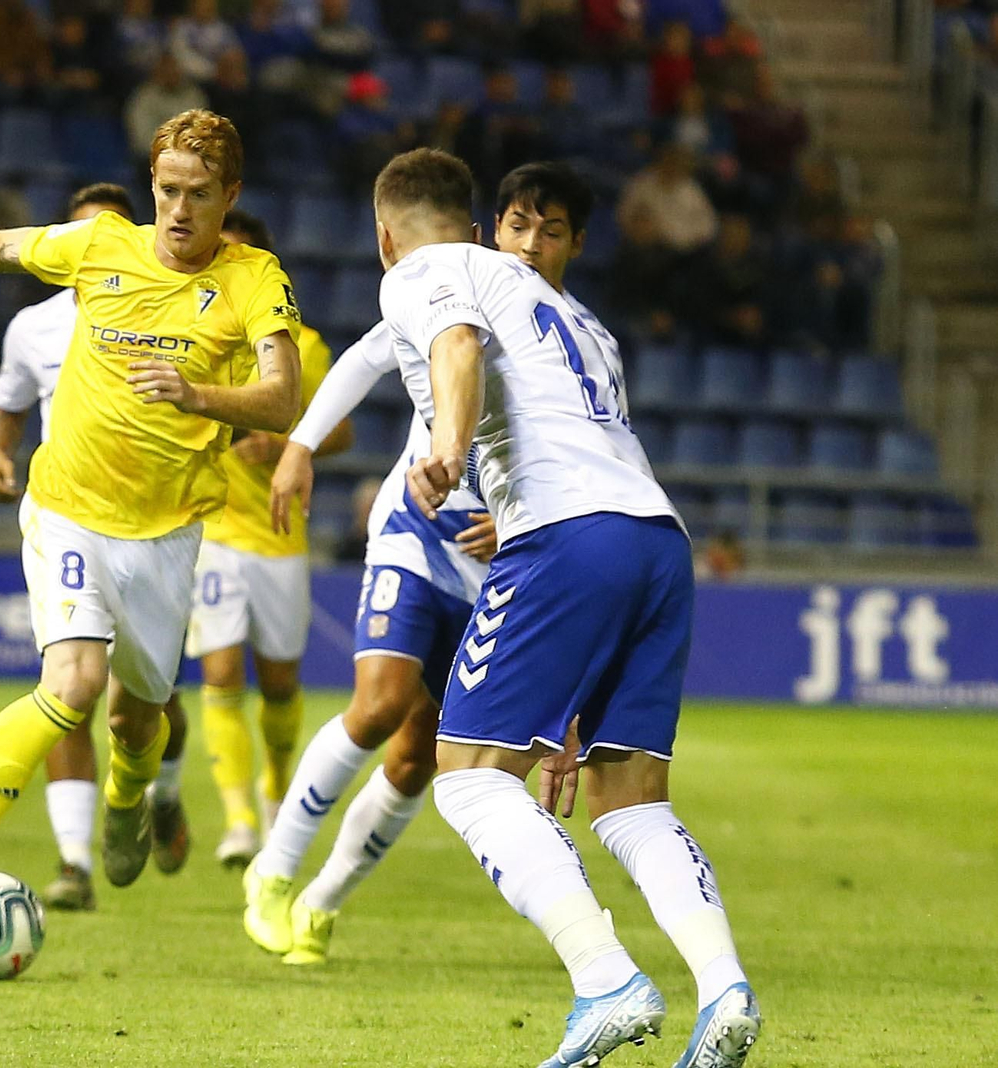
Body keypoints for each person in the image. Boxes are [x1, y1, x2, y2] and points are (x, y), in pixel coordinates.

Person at [383, 148, 759, 1068]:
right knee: (629, 796)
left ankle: (606, 979)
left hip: (561, 533)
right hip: (654, 538)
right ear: (486, 222)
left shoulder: (434, 268)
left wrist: (445, 443)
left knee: (470, 776)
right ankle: (725, 991)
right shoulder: (586, 324)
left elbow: (456, 347)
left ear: (386, 235)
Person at [0, 109, 303, 912]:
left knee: (139, 721)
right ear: (152, 186)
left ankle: (125, 800)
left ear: (231, 194)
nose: (180, 211)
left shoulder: (255, 278)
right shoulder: (102, 245)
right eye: (169, 191)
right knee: (72, 681)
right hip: (68, 505)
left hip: (168, 531)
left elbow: (283, 400)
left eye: (201, 195)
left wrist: (197, 394)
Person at [249, 159, 624, 962]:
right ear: (492, 232)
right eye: (517, 226)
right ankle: (271, 873)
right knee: (380, 701)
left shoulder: (581, 338)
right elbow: (365, 358)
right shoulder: (457, 289)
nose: (528, 246)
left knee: (423, 753)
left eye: (548, 232)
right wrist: (301, 446)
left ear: (575, 246)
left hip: (504, 567)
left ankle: (321, 901)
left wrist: (528, 524)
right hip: (419, 527)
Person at [0, 182, 195, 912]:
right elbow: (8, 401)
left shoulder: (168, 310)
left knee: (151, 701)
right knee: (69, 688)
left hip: (156, 519)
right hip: (70, 516)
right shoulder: (31, 328)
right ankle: (74, 862)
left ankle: (158, 793)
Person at [189, 208, 348, 867]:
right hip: (213, 530)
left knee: (280, 684)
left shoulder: (300, 345)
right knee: (222, 670)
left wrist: (286, 442)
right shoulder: (186, 333)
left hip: (279, 536)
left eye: (238, 253)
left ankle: (277, 794)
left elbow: (340, 432)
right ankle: (238, 821)